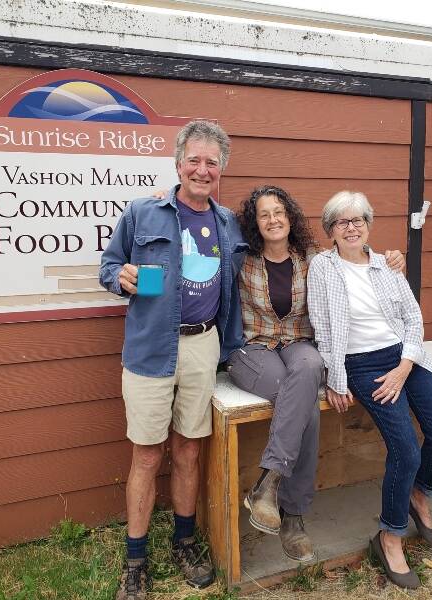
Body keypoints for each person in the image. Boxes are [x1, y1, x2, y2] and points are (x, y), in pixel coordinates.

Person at [100, 120, 246, 599]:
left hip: (204, 346)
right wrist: (117, 277)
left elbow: (252, 270)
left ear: (221, 169)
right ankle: (135, 560)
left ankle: (183, 541)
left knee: (188, 448)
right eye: (195, 160)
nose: (202, 170)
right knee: (146, 454)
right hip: (149, 348)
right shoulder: (144, 212)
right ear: (178, 163)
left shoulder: (226, 223)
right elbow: (108, 265)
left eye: (212, 162)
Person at [228, 186, 406, 563]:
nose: (273, 219)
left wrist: (391, 258)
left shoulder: (314, 259)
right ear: (254, 222)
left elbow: (357, 256)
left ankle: (269, 485)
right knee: (304, 401)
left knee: (309, 368)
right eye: (264, 214)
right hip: (252, 349)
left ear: (290, 218)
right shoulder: (239, 260)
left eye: (279, 212)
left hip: (298, 345)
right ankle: (292, 513)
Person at [306, 191, 432, 590]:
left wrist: (405, 365)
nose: (352, 227)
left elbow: (413, 318)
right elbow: (322, 327)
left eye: (359, 220)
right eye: (342, 222)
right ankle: (389, 537)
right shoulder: (322, 269)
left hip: (405, 358)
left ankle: (419, 496)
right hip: (362, 363)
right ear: (330, 231)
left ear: (369, 225)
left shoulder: (387, 265)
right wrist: (335, 378)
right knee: (406, 450)